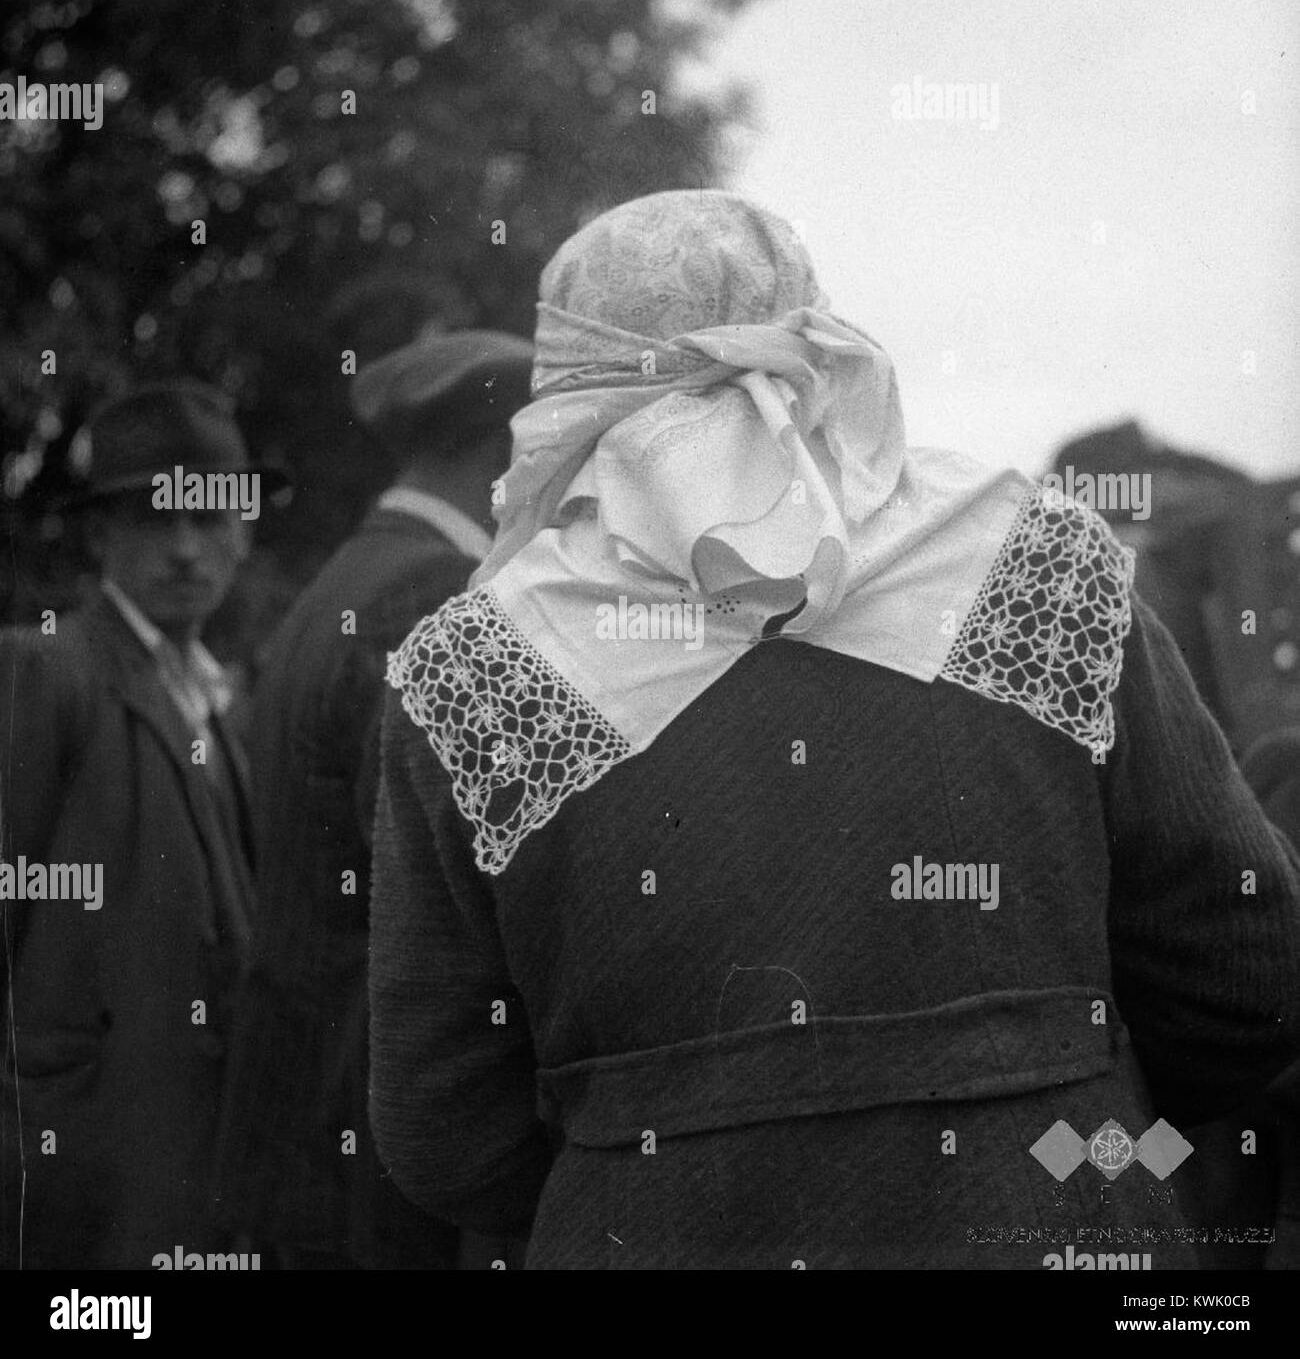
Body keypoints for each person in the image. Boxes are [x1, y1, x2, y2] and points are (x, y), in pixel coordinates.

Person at [367, 190, 1300, 1269]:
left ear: (566, 385)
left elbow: (443, 1133)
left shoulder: (471, 667)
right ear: (816, 337)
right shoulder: (1038, 563)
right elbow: (1248, 976)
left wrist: (668, 1162)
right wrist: (1050, 1111)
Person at [215, 327, 532, 1268]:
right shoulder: (433, 596)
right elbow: (453, 906)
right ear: (504, 451)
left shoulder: (348, 580)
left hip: (303, 1111)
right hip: (373, 1143)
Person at [0, 380, 271, 1268]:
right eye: (158, 520)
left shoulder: (224, 699)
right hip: (79, 1183)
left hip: (199, 1173)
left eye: (210, 519)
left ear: (244, 531)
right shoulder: (46, 673)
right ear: (100, 534)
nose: (188, 549)